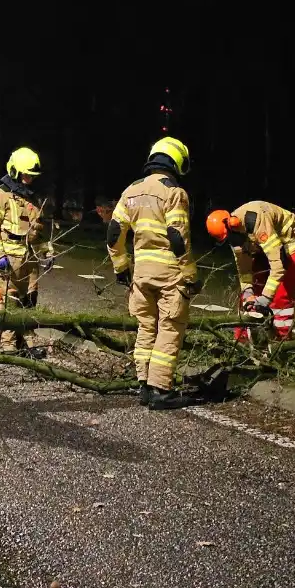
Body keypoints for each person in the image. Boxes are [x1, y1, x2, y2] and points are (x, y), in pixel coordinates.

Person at [106, 137, 200, 410]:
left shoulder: (131, 191)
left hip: (141, 273)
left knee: (146, 327)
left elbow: (114, 233)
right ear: (177, 162)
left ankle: (144, 385)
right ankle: (161, 390)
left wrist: (121, 267)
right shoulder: (174, 192)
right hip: (170, 272)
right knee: (170, 328)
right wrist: (191, 275)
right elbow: (177, 237)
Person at [0, 146, 55, 358]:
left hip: (29, 258)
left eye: (32, 175)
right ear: (15, 171)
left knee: (29, 302)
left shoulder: (31, 198)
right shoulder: (1, 195)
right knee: (7, 303)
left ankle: (28, 344)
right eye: (26, 174)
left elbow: (39, 231)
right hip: (8, 257)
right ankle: (8, 345)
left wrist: (47, 252)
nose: (29, 179)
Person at [205, 201, 295, 341]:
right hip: (261, 246)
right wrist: (248, 292)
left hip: (290, 242)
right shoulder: (235, 236)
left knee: (280, 296)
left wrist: (266, 297)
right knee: (250, 295)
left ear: (232, 224)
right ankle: (242, 339)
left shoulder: (257, 222)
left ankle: (281, 341)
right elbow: (245, 270)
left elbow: (278, 266)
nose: (232, 242)